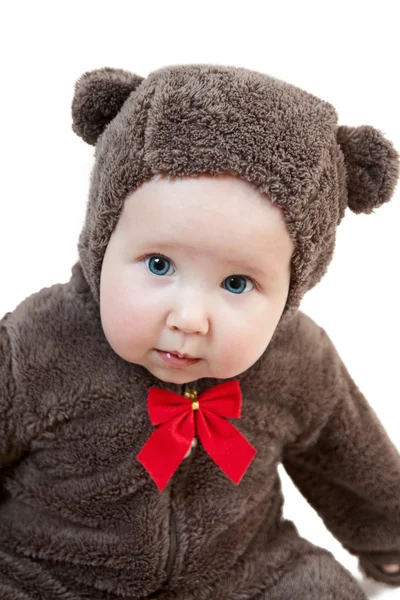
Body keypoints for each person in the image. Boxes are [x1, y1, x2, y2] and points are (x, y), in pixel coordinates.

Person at [1, 63, 400, 599]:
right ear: (103, 240)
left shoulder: (297, 360)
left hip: (238, 574)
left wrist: (388, 542)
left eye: (237, 283)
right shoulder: (40, 344)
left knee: (316, 589)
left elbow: (351, 459)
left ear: (291, 289)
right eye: (159, 265)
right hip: (54, 575)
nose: (189, 318)